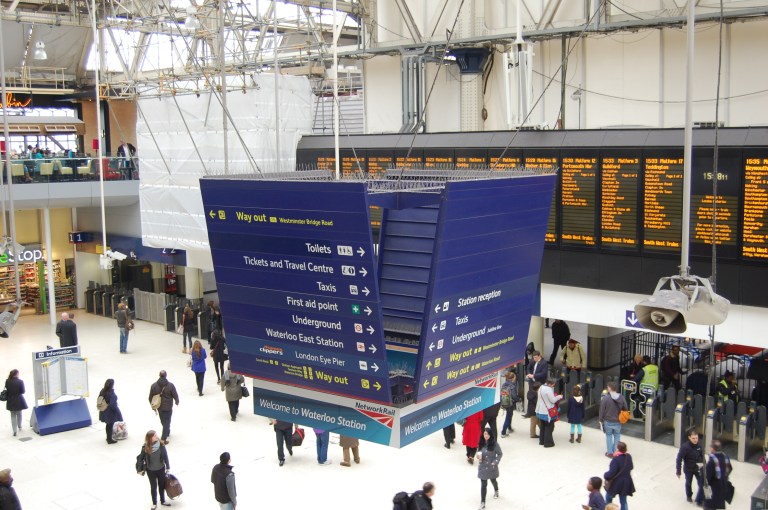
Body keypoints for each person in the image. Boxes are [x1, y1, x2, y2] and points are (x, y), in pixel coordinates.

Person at [136, 430, 171, 509]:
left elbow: (165, 456)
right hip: (150, 470)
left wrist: (168, 467)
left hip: (161, 468)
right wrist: (139, 469)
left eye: (156, 435)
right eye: (154, 436)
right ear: (150, 438)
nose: (156, 436)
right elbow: (140, 458)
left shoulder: (161, 445)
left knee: (161, 485)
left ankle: (163, 500)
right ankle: (154, 503)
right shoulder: (145, 447)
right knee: (153, 486)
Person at [148, 370, 179, 444]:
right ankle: (163, 438)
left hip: (159, 407)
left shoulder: (154, 386)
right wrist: (177, 401)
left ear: (159, 375)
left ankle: (166, 431)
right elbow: (175, 394)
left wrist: (153, 406)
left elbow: (150, 397)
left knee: (163, 421)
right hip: (168, 406)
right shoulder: (170, 385)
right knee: (167, 421)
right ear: (166, 375)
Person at [599, 381, 628, 457]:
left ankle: (609, 453)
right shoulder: (621, 397)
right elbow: (626, 408)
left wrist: (600, 420)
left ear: (610, 388)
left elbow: (602, 410)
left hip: (607, 421)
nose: (607, 388)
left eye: (608, 387)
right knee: (617, 436)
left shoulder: (605, 398)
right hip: (618, 421)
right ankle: (616, 452)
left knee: (608, 436)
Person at [676, 429, 704, 505]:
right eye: (693, 438)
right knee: (688, 483)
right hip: (688, 469)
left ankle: (700, 499)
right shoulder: (684, 447)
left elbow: (702, 456)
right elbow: (679, 459)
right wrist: (678, 471)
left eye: (696, 438)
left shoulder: (699, 445)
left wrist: (703, 465)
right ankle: (689, 496)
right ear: (689, 437)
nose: (695, 440)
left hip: (698, 468)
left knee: (701, 483)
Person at [604, 441, 635, 510]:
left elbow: (611, 473)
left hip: (615, 483)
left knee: (608, 498)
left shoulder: (615, 459)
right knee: (623, 501)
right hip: (626, 482)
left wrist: (605, 475)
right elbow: (631, 467)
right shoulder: (628, 456)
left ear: (618, 449)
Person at [476, 428, 502, 509]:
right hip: (483, 467)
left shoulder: (495, 444)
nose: (486, 436)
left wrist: (495, 462)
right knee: (483, 484)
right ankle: (483, 502)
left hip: (491, 467)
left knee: (493, 480)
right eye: (485, 434)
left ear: (490, 435)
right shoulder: (481, 443)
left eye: (487, 434)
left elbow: (500, 454)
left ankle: (496, 490)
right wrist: (478, 456)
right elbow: (478, 452)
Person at [704, 440, 732, 510]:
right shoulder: (726, 457)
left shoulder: (712, 461)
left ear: (713, 449)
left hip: (713, 490)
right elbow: (730, 469)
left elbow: (707, 476)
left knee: (709, 507)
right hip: (723, 488)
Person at [535, 377, 562, 448]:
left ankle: (541, 441)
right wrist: (559, 397)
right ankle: (548, 443)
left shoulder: (541, 387)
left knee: (543, 426)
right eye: (553, 384)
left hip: (540, 410)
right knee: (549, 427)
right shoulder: (549, 390)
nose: (553, 385)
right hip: (547, 411)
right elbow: (553, 400)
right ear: (550, 384)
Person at [98, 378, 123, 444]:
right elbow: (113, 405)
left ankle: (108, 437)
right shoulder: (111, 393)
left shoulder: (103, 391)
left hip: (104, 411)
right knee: (110, 425)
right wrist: (118, 413)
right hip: (110, 412)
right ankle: (109, 439)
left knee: (108, 425)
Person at [4, 370, 27, 437]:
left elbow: (7, 389)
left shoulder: (7, 381)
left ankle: (14, 431)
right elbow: (23, 391)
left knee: (13, 415)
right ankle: (19, 425)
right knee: (19, 413)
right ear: (16, 374)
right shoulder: (20, 381)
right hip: (18, 400)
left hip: (10, 400)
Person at [500, 371, 518, 437]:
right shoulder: (512, 385)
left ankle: (509, 428)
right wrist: (518, 399)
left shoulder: (504, 384)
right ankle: (503, 432)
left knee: (509, 415)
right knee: (508, 417)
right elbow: (514, 396)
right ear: (512, 378)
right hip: (511, 403)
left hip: (505, 402)